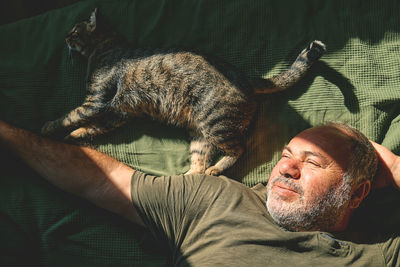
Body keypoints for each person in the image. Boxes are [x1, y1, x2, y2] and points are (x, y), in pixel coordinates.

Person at [0, 119, 399, 265]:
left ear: (357, 193)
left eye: (313, 162)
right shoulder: (214, 199)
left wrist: (395, 168)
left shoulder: (380, 254)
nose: (286, 168)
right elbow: (97, 178)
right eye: (286, 154)